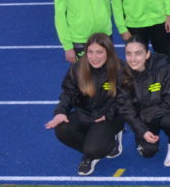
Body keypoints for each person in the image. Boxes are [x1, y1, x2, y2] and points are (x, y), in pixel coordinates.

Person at [45, 33, 125, 176]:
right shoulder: (78, 68)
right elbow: (69, 93)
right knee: (62, 129)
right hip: (85, 113)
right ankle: (89, 154)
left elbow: (126, 99)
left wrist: (108, 114)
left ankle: (108, 140)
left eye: (99, 52)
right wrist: (61, 112)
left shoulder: (120, 69)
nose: (94, 57)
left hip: (110, 115)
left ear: (109, 52)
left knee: (96, 149)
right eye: (90, 52)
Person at [119, 38, 170, 167]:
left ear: (147, 54)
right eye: (129, 54)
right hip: (144, 117)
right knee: (147, 152)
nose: (133, 59)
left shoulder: (163, 68)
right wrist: (143, 131)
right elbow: (126, 109)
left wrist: (147, 113)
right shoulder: (122, 75)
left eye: (138, 53)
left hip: (165, 112)